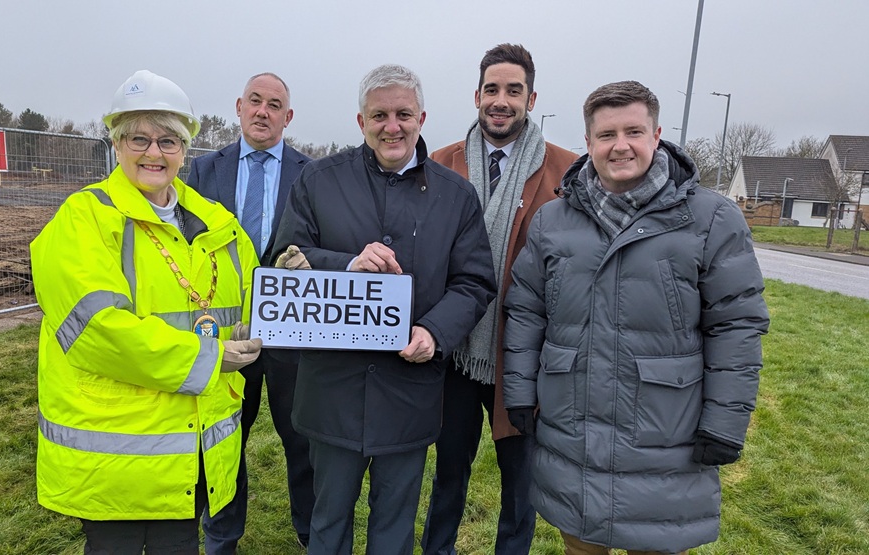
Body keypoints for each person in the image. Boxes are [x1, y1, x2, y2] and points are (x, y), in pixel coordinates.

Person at [502, 80, 770, 555]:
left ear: (657, 134)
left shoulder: (711, 219)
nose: (620, 145)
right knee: (580, 545)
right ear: (588, 143)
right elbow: (527, 310)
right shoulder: (552, 221)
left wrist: (725, 423)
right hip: (573, 432)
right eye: (606, 135)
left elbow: (736, 327)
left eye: (633, 131)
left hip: (666, 433)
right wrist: (520, 392)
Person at [31, 69, 262, 554]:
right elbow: (98, 331)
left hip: (189, 449)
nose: (154, 153)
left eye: (169, 140)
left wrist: (287, 280)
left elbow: (250, 301)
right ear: (116, 144)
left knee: (179, 544)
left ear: (185, 150)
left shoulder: (218, 224)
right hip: (118, 453)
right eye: (140, 138)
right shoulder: (84, 218)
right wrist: (211, 358)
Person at [272, 64, 497, 555]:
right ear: (360, 121)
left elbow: (475, 280)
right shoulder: (319, 180)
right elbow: (284, 258)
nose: (391, 126)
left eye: (402, 114)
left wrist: (435, 333)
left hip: (408, 390)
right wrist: (346, 264)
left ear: (422, 117)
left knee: (394, 526)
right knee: (328, 518)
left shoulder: (456, 196)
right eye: (379, 115)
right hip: (333, 388)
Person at [422, 43, 577, 555]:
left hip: (526, 357)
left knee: (522, 486)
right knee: (448, 476)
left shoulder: (569, 172)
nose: (502, 100)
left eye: (514, 90)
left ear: (532, 99)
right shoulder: (438, 164)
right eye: (493, 89)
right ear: (477, 95)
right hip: (455, 349)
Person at [186, 72, 315, 553]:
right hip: (223, 333)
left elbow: (320, 242)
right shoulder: (203, 171)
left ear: (288, 116)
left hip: (289, 336)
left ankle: (310, 532)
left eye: (274, 104)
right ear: (239, 107)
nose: (263, 111)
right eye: (255, 101)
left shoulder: (311, 173)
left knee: (301, 442)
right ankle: (221, 535)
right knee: (222, 443)